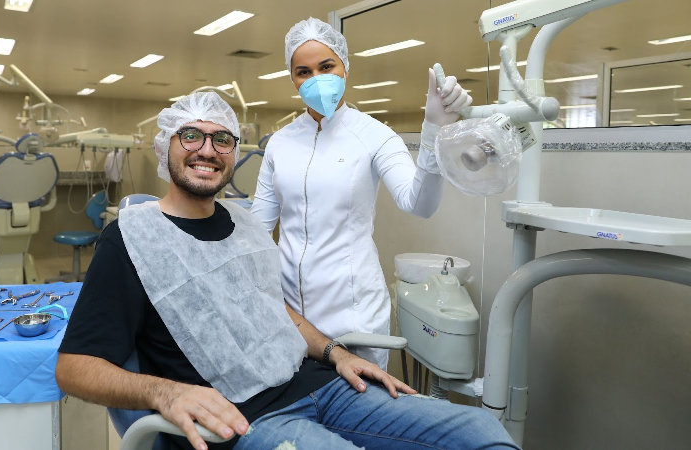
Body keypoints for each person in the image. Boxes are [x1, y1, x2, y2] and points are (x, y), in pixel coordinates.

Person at [55, 92, 517, 450]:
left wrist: (336, 353)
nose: (207, 150)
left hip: (327, 388)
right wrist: (166, 393)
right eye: (191, 136)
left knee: (477, 430)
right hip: (247, 420)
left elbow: (275, 309)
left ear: (234, 152)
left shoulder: (246, 224)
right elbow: (74, 368)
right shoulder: (132, 238)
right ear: (166, 145)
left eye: (222, 139)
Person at [250, 18, 473, 369]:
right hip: (291, 316)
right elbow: (257, 229)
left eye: (326, 66)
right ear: (292, 78)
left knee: (360, 416)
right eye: (303, 72)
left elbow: (420, 204)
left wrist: (434, 133)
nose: (316, 79)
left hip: (354, 317)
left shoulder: (374, 135)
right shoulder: (280, 143)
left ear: (345, 68)